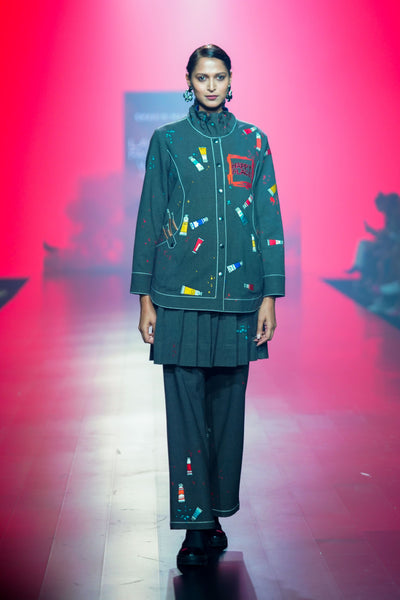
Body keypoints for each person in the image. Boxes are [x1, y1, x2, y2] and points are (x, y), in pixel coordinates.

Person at [130, 44, 285, 572]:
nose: (212, 86)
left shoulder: (255, 141)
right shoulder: (167, 140)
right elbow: (151, 215)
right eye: (202, 77)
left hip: (241, 298)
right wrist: (145, 297)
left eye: (219, 76)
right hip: (178, 296)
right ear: (189, 81)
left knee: (228, 413)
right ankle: (195, 526)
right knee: (185, 413)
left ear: (231, 79)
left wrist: (269, 296)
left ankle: (213, 516)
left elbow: (268, 219)